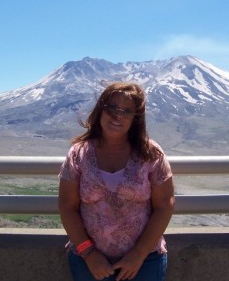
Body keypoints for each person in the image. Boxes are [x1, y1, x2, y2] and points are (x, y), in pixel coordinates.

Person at [58, 82, 175, 281]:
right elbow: (67, 206)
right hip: (90, 262)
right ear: (100, 109)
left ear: (135, 118)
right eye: (112, 107)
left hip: (145, 261)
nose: (117, 115)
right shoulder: (78, 154)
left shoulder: (151, 154)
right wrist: (89, 254)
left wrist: (138, 254)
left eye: (127, 111)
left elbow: (165, 205)